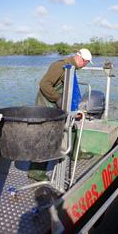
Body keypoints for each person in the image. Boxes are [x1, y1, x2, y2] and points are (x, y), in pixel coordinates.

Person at [28, 48, 92, 181]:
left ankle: (75, 153)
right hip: (46, 104)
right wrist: (57, 98)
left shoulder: (71, 67)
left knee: (72, 126)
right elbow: (44, 84)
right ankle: (35, 171)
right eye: (86, 63)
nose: (85, 66)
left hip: (59, 104)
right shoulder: (60, 66)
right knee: (45, 136)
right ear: (80, 59)